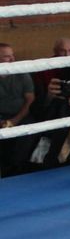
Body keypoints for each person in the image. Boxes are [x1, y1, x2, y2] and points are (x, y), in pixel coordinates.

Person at [0, 43, 36, 176]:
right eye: (7, 57)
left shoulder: (21, 72)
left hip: (21, 115)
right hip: (1, 116)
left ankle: (18, 171)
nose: (12, 59)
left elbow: (30, 100)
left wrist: (14, 121)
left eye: (12, 55)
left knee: (27, 134)